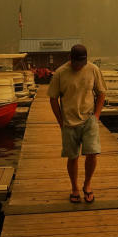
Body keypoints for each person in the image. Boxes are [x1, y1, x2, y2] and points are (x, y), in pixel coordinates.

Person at [48, 44, 106, 203]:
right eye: (77, 63)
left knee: (92, 153)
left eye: (82, 63)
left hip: (89, 119)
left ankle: (87, 185)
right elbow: (53, 98)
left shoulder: (93, 69)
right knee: (72, 157)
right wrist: (60, 121)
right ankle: (74, 188)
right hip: (69, 122)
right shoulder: (60, 73)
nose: (79, 66)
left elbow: (101, 93)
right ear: (70, 59)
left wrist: (97, 116)